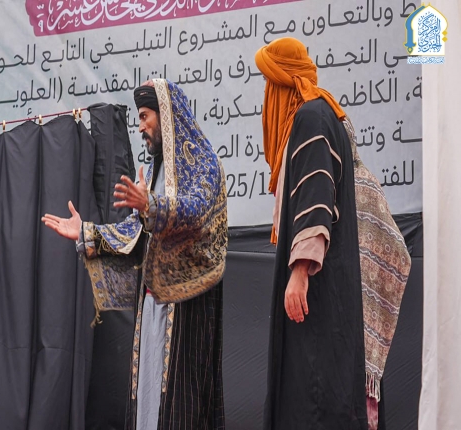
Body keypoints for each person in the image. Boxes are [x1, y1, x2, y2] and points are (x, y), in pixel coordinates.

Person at [42, 79, 227, 429]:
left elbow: (196, 212)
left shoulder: (204, 164)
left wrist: (152, 205)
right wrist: (86, 232)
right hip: (153, 303)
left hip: (188, 305)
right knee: (147, 400)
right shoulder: (155, 170)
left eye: (144, 116)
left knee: (181, 403)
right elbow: (135, 229)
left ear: (166, 115)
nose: (140, 127)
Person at [254, 37, 368, 429]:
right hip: (328, 287)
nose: (266, 95)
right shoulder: (323, 114)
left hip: (318, 288)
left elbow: (317, 195)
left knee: (313, 393)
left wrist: (300, 271)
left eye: (269, 82)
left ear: (282, 81)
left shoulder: (312, 117)